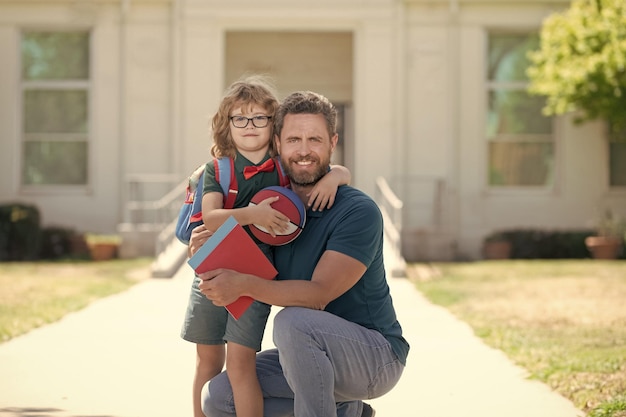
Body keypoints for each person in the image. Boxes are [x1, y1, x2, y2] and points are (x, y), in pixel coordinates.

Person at [192, 91, 409, 417]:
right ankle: (350, 411)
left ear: (332, 143)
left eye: (315, 140)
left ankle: (343, 405)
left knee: (293, 322)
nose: (304, 150)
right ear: (277, 144)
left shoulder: (358, 211)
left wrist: (243, 284)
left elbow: (318, 295)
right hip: (310, 355)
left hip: (374, 356)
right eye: (294, 139)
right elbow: (232, 247)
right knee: (219, 396)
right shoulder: (268, 210)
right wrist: (207, 244)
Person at [181, 76, 352, 417]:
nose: (249, 126)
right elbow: (211, 217)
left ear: (272, 126)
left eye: (259, 118)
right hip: (212, 275)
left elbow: (339, 172)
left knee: (242, 366)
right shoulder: (217, 170)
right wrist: (252, 214)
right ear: (226, 125)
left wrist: (335, 177)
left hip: (254, 282)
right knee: (207, 360)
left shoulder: (282, 170)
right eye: (239, 118)